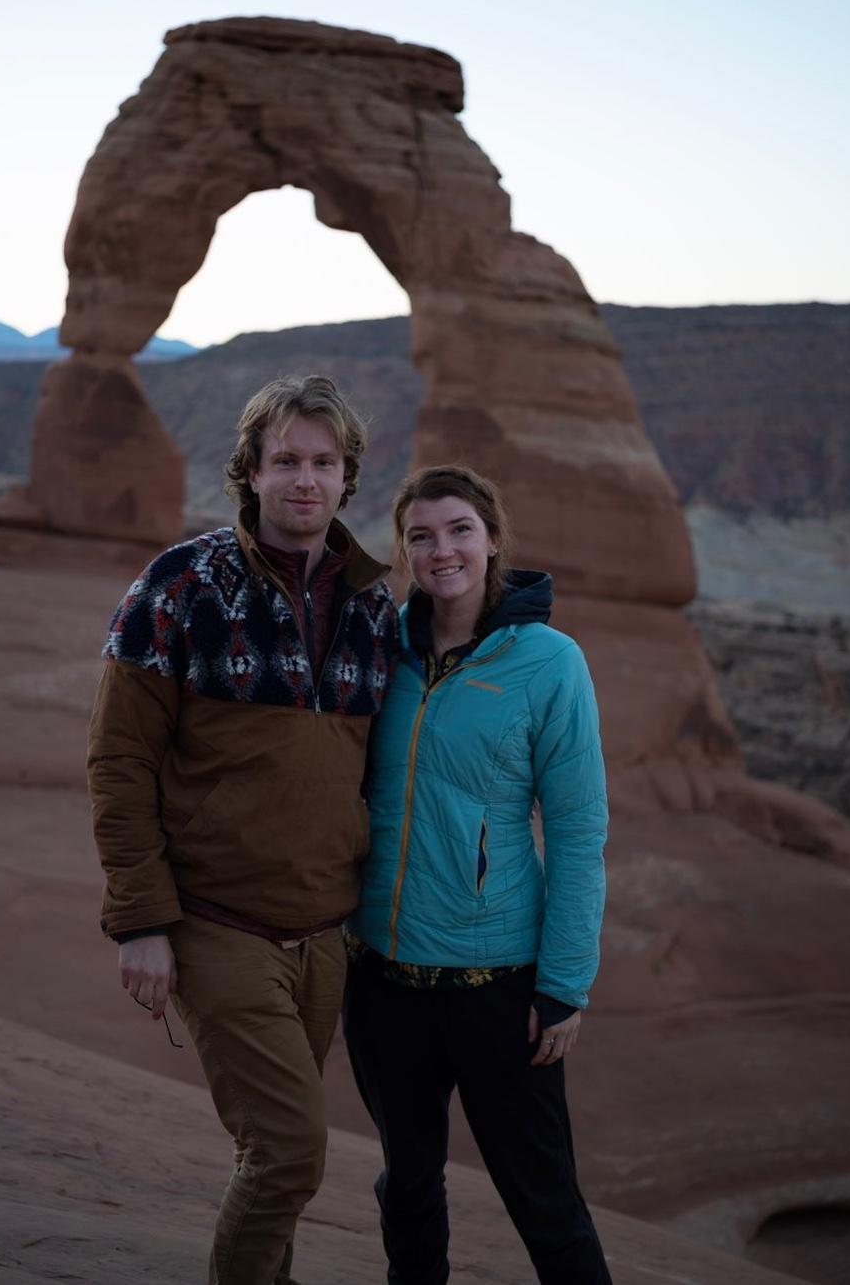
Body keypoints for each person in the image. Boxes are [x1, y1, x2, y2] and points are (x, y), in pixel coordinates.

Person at [87, 374, 398, 1285]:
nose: (306, 480)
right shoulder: (181, 587)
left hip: (324, 939)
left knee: (271, 1157)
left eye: (324, 463)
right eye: (287, 461)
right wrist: (141, 920)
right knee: (293, 1153)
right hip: (217, 928)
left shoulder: (374, 609)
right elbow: (119, 762)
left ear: (348, 479)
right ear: (251, 473)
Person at [344, 464, 613, 1284]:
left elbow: (576, 828)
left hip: (498, 988)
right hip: (385, 980)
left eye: (459, 529)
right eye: (420, 536)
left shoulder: (548, 662)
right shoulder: (378, 648)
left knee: (548, 1207)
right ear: (405, 551)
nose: (441, 550)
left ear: (493, 539)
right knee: (409, 1187)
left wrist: (564, 981)